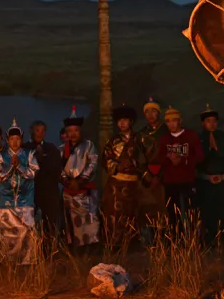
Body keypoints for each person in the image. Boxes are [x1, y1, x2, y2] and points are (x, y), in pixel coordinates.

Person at [0, 120, 40, 264]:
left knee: (27, 233)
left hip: (26, 200)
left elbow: (33, 174)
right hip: (6, 202)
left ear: (21, 139)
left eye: (18, 139)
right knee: (8, 234)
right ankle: (8, 264)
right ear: (7, 140)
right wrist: (11, 167)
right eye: (12, 139)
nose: (15, 142)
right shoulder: (0, 156)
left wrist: (19, 165)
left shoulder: (29, 154)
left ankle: (28, 263)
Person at [197, 104, 224, 244]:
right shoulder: (198, 140)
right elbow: (197, 161)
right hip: (206, 183)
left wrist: (218, 149)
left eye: (214, 121)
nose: (212, 124)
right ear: (203, 123)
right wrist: (209, 150)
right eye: (208, 121)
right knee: (208, 212)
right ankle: (210, 239)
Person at [59, 106, 100, 249]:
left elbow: (92, 164)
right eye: (69, 131)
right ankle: (74, 248)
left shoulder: (89, 146)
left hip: (85, 190)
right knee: (71, 222)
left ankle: (90, 249)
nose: (73, 134)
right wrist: (68, 181)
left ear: (80, 130)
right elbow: (59, 169)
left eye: (75, 130)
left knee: (88, 222)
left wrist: (81, 180)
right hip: (69, 190)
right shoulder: (61, 149)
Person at [102, 104, 143, 246]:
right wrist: (117, 166)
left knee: (132, 212)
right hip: (116, 184)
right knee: (114, 214)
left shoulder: (139, 139)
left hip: (134, 184)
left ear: (131, 121)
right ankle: (114, 244)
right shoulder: (112, 141)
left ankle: (132, 243)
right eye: (119, 121)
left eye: (125, 120)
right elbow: (106, 159)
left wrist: (131, 162)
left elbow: (145, 159)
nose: (122, 123)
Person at [156, 106, 203, 229]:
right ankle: (176, 241)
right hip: (170, 182)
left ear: (180, 121)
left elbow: (200, 157)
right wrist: (169, 158)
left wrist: (183, 160)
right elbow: (159, 159)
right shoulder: (164, 139)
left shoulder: (191, 136)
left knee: (191, 212)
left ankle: (194, 241)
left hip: (188, 180)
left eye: (174, 120)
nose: (171, 124)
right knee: (172, 213)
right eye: (168, 121)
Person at [24, 120, 64, 240]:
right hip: (31, 192)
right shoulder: (25, 148)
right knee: (29, 223)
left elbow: (56, 168)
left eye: (42, 131)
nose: (40, 133)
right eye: (37, 130)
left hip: (49, 192)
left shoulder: (51, 148)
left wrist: (42, 160)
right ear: (31, 131)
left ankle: (50, 251)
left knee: (50, 224)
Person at [135, 97, 168, 241]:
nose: (150, 115)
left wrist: (159, 175)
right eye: (147, 112)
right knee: (147, 208)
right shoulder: (141, 134)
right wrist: (146, 175)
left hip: (164, 175)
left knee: (163, 208)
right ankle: (148, 240)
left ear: (158, 113)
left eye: (153, 111)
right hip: (146, 177)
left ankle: (166, 239)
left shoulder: (166, 131)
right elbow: (138, 157)